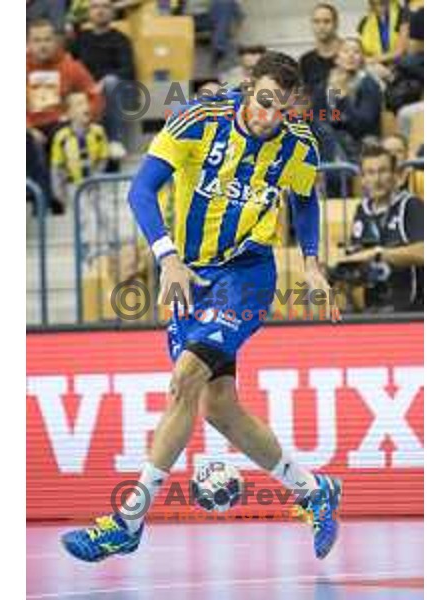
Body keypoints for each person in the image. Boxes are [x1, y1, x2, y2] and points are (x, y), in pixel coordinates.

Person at [61, 52, 343, 562]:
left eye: (281, 109)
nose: (268, 118)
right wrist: (166, 258)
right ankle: (313, 491)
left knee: (184, 381)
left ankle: (127, 521)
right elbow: (142, 190)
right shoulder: (197, 120)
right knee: (218, 406)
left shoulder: (298, 143)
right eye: (262, 102)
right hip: (188, 275)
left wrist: (310, 261)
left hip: (246, 274)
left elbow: (303, 199)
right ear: (245, 88)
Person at [339, 143, 423, 311]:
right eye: (370, 173)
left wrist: (379, 254)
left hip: (412, 310)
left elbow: (423, 252)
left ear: (395, 175)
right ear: (362, 179)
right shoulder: (362, 210)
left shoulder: (410, 205)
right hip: (374, 311)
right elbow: (360, 256)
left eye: (383, 171)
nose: (376, 179)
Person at [69, 0, 136, 157]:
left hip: (112, 90)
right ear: (88, 13)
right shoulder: (79, 39)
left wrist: (103, 82)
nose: (100, 11)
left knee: (111, 83)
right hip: (84, 89)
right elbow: (70, 65)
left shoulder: (121, 39)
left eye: (105, 6)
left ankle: (114, 140)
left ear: (112, 12)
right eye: (95, 6)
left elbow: (128, 71)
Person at [26, 18, 103, 146]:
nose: (42, 45)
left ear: (56, 42)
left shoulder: (70, 65)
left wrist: (85, 118)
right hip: (29, 128)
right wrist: (28, 129)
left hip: (62, 126)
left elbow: (94, 96)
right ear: (28, 44)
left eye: (47, 39)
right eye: (37, 40)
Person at [312, 37, 382, 163]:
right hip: (331, 139)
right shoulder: (324, 86)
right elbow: (319, 117)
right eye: (345, 51)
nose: (351, 56)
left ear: (362, 58)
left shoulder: (369, 84)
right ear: (337, 58)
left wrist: (343, 98)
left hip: (360, 141)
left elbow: (363, 124)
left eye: (356, 52)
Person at [50, 92, 109, 207]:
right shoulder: (62, 137)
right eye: (79, 104)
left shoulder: (98, 132)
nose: (86, 106)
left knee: (103, 217)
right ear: (69, 113)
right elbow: (57, 166)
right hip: (74, 186)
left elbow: (103, 157)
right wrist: (58, 191)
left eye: (86, 102)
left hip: (95, 184)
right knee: (82, 218)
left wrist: (96, 175)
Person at [299, 3, 341, 101]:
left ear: (336, 24)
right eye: (316, 22)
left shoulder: (348, 57)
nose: (321, 26)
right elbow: (305, 98)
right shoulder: (306, 60)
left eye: (327, 21)